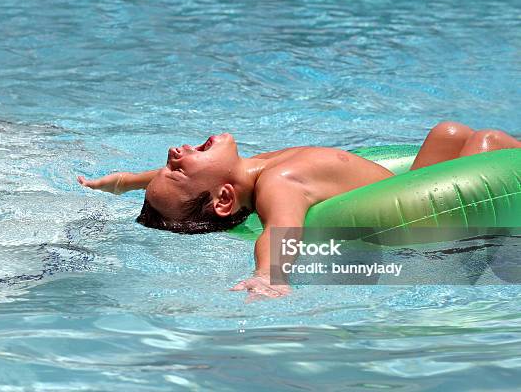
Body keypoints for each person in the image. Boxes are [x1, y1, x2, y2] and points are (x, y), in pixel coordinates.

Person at [77, 122, 520, 299]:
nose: (174, 152)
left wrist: (121, 182)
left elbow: (172, 177)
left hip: (410, 187)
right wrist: (270, 276)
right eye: (177, 167)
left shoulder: (250, 170)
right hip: (431, 221)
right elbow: (280, 229)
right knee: (488, 143)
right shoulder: (278, 184)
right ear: (225, 199)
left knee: (449, 133)